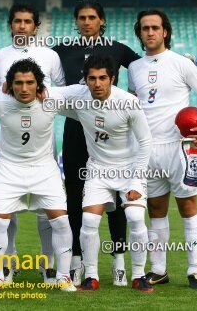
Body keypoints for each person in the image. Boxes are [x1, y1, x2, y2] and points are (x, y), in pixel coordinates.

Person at [128, 9, 197, 289]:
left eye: (155, 27)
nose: (150, 32)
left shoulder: (181, 63)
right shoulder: (134, 68)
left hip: (179, 148)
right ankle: (159, 269)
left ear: (165, 31)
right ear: (140, 33)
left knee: (188, 207)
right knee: (155, 209)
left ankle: (194, 270)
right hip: (146, 149)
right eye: (145, 28)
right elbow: (134, 103)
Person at [53, 0, 139, 286]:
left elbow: (145, 73)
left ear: (102, 20)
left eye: (92, 17)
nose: (86, 22)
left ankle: (118, 261)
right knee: (75, 195)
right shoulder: (62, 49)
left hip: (111, 131)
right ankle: (77, 262)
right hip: (77, 129)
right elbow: (37, 72)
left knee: (117, 198)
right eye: (81, 17)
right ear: (76, 21)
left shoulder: (117, 48)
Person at [54, 54, 153, 292]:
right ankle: (92, 276)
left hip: (130, 169)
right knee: (89, 220)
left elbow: (146, 142)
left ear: (113, 78)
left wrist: (137, 183)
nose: (97, 83)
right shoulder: (79, 96)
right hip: (98, 169)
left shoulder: (128, 102)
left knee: (136, 218)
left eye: (102, 78)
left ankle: (139, 275)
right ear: (85, 80)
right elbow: (49, 93)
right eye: (92, 78)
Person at [0, 58, 75, 292]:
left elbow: (81, 94)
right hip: (10, 169)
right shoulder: (0, 101)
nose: (23, 88)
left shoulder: (51, 100)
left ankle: (63, 276)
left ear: (38, 85)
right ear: (9, 85)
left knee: (60, 220)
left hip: (44, 169)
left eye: (29, 82)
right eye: (18, 83)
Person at [0, 3, 66, 283]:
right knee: (6, 209)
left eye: (27, 22)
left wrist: (45, 90)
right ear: (11, 25)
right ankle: (7, 263)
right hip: (9, 145)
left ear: (35, 26)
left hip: (44, 146)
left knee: (49, 212)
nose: (22, 26)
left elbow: (62, 90)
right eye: (17, 21)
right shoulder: (0, 57)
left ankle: (49, 265)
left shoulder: (50, 56)